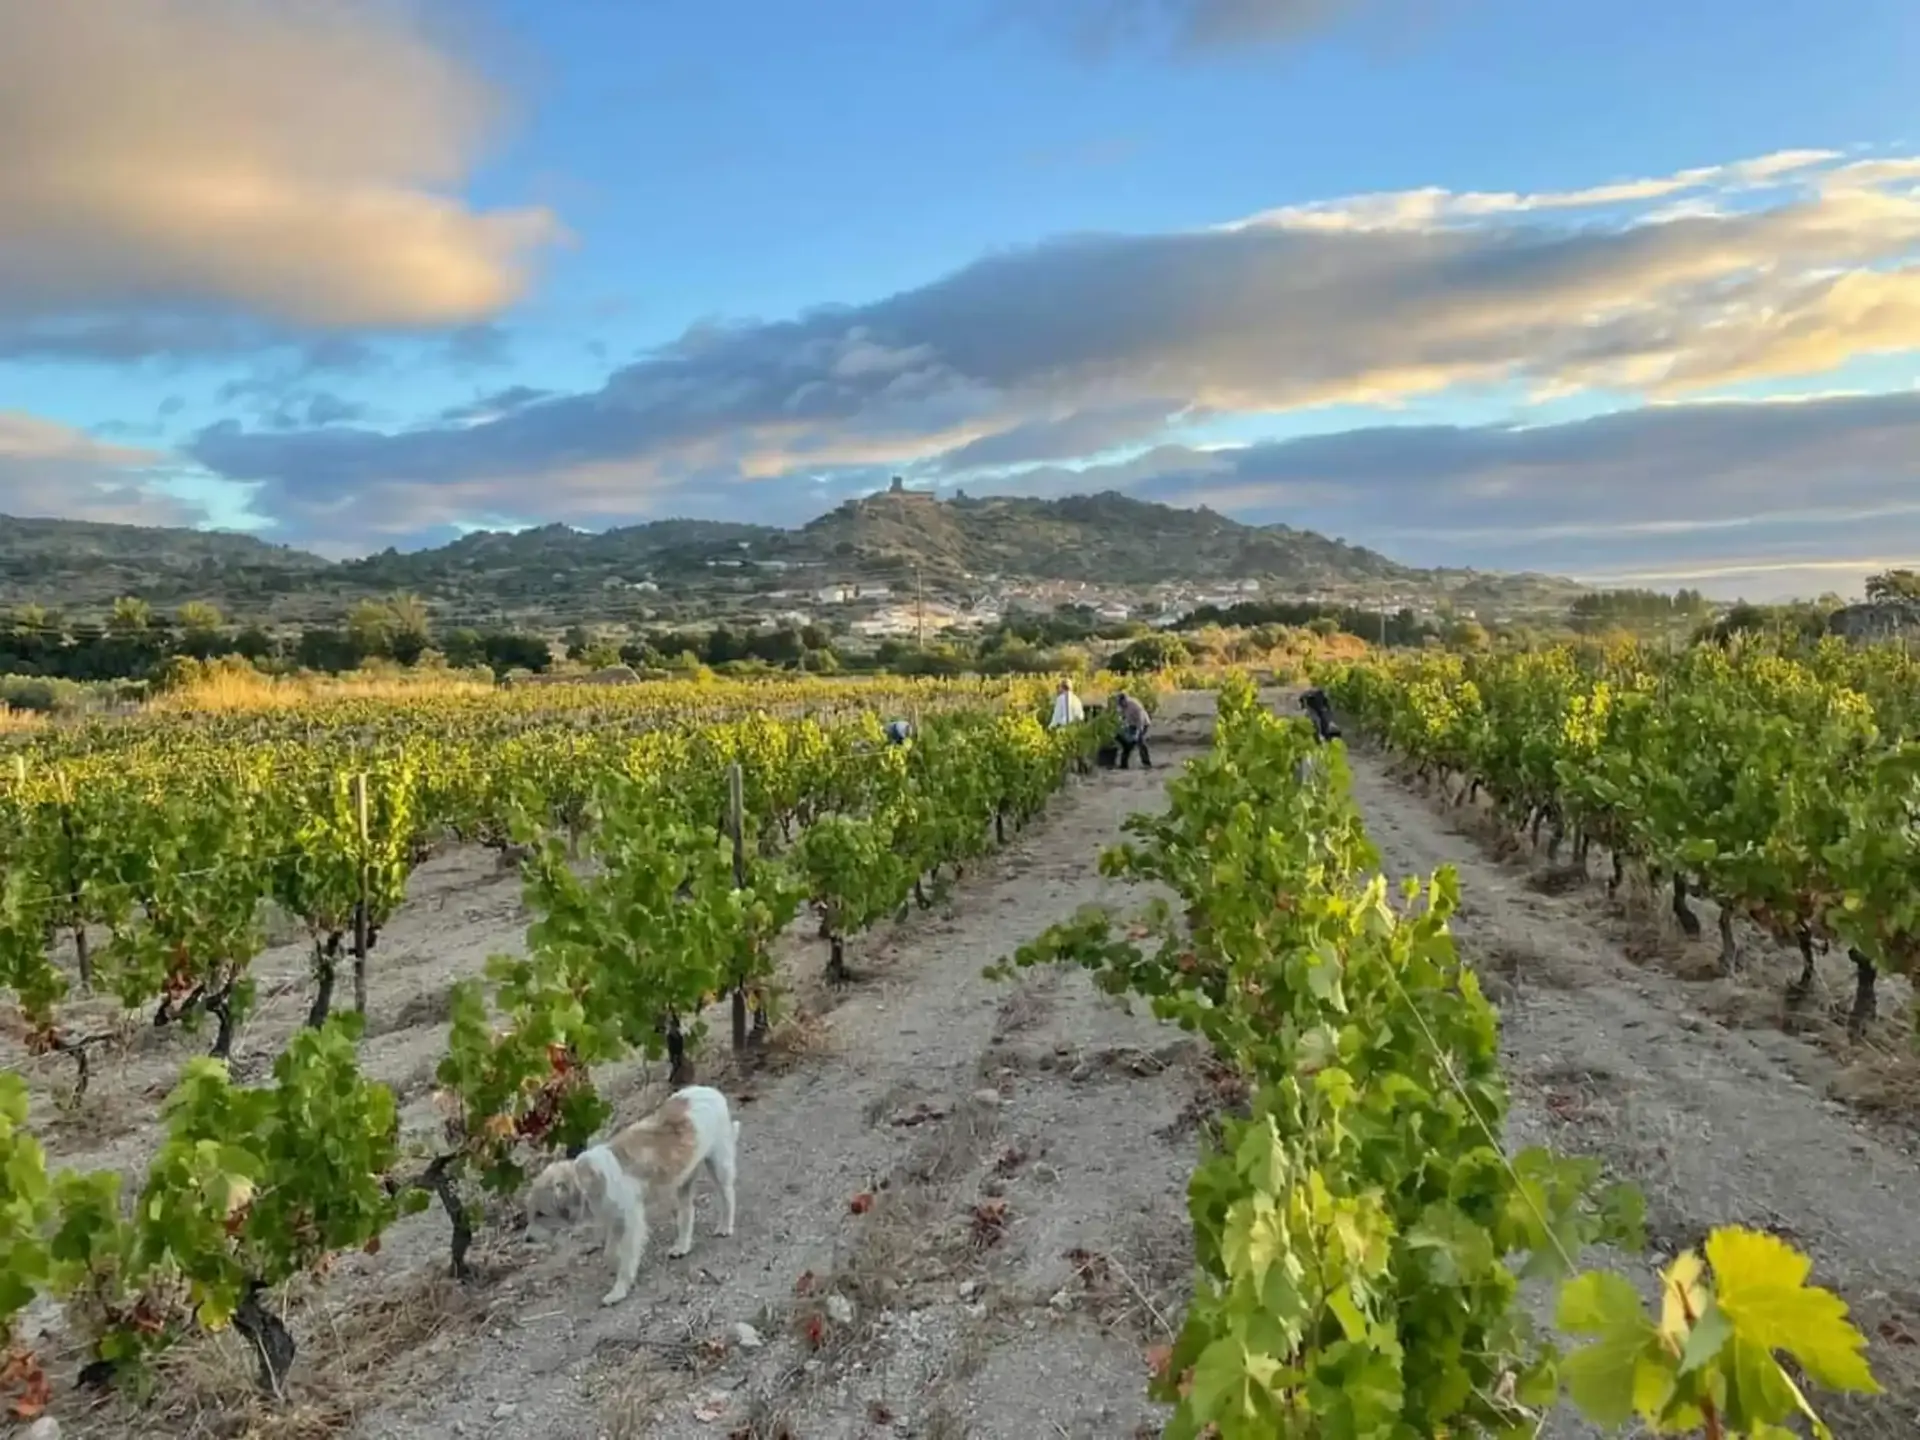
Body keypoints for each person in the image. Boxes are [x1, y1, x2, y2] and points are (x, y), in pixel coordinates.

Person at [1112, 690, 1152, 769]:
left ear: (1124, 700)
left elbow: (1140, 718)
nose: (1120, 705)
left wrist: (1138, 732)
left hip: (1142, 723)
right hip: (1132, 724)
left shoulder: (1134, 705)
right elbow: (1122, 717)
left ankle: (1146, 763)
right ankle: (1124, 764)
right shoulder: (1122, 706)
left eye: (1121, 703)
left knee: (1140, 742)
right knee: (1127, 744)